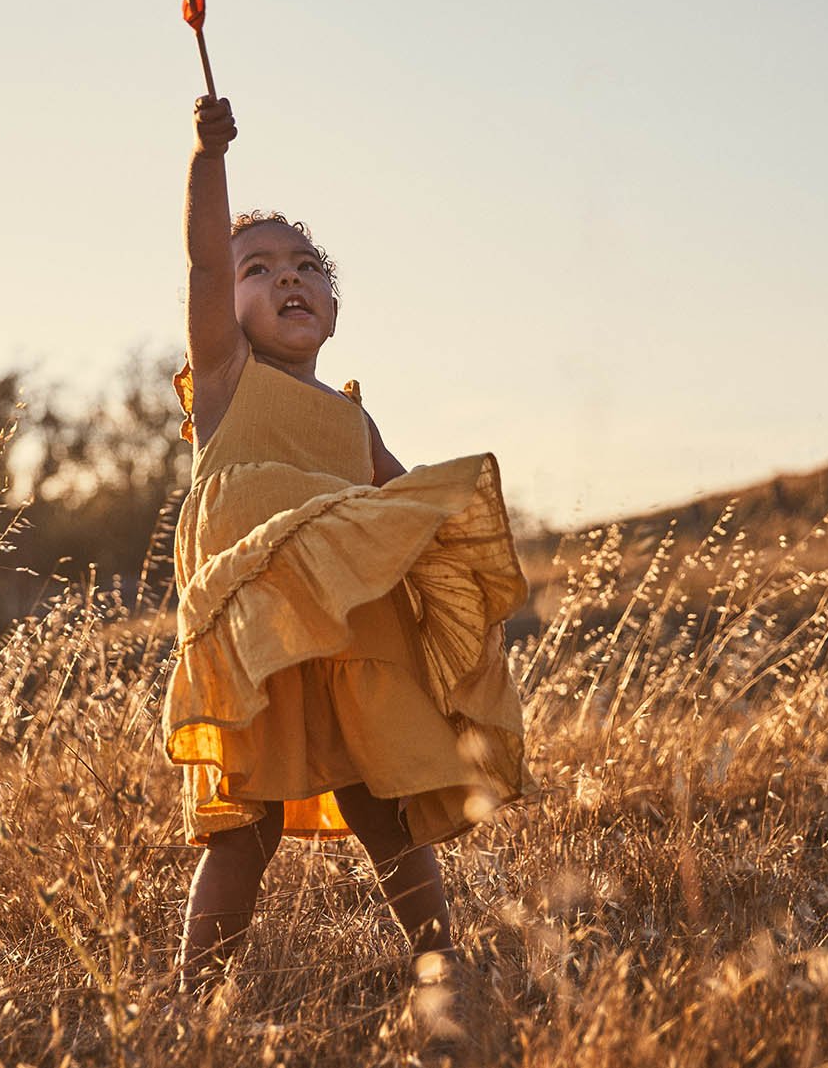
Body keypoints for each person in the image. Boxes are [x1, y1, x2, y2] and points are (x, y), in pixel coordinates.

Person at [163, 93, 532, 996]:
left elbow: (408, 512)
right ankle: (192, 998)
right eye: (263, 268)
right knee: (243, 832)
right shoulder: (225, 381)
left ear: (332, 300)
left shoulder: (352, 418)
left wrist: (464, 579)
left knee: (387, 812)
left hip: (354, 645)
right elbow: (205, 261)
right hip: (261, 647)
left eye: (306, 265)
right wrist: (210, 159)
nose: (287, 277)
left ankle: (444, 965)